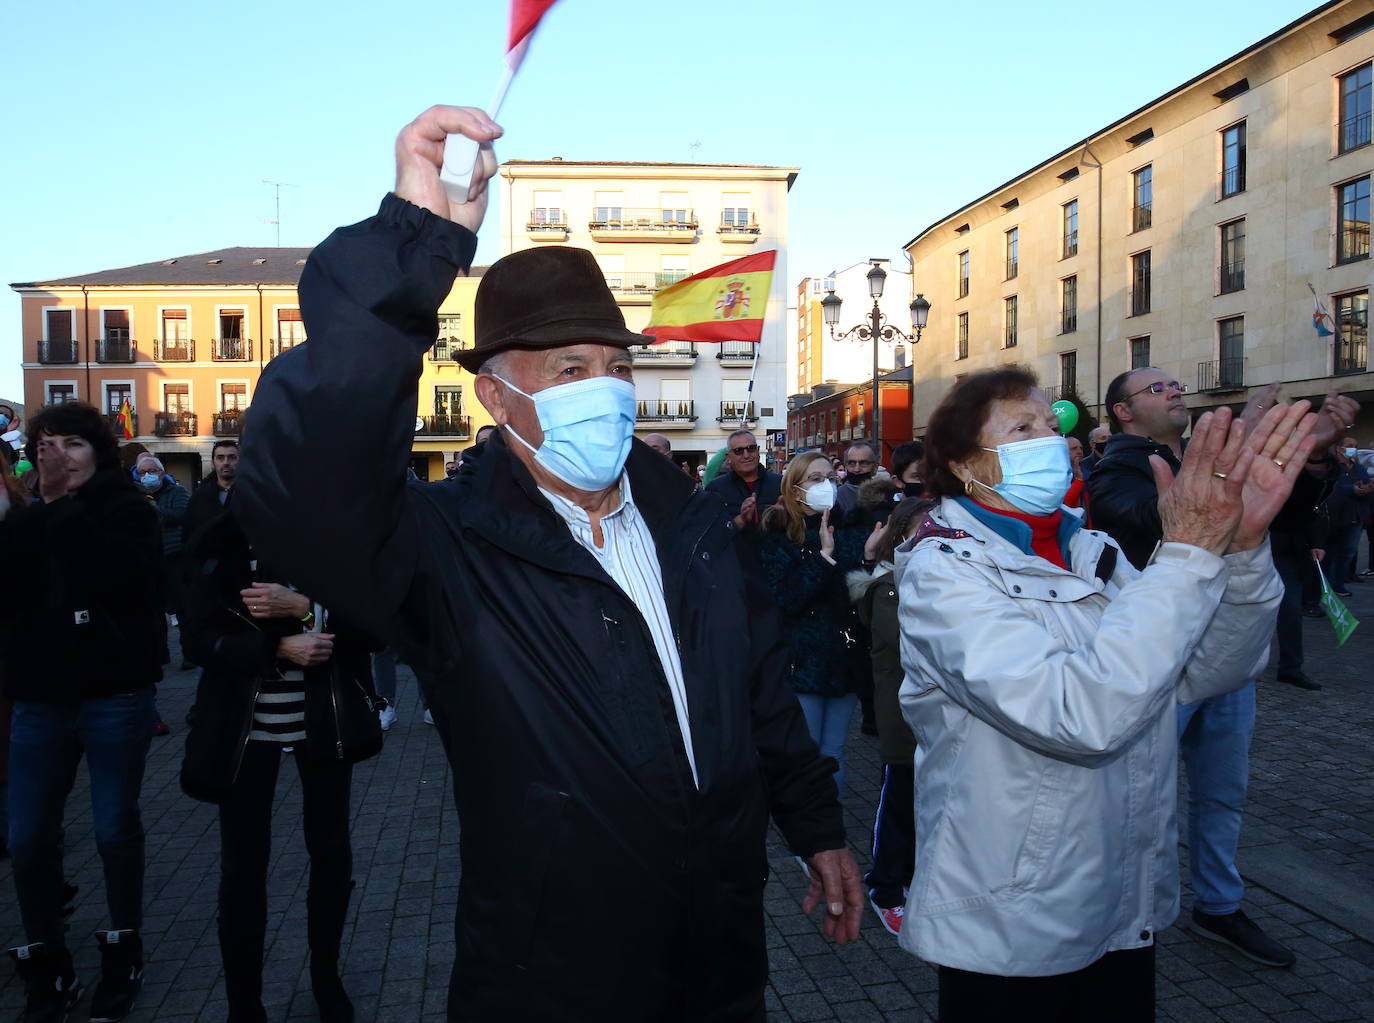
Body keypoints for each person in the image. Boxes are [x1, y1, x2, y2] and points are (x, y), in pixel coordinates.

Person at [233, 104, 862, 1022]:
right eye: (569, 368)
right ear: (495, 394)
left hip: (720, 960)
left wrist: (815, 827)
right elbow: (304, 486)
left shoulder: (693, 526)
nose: (604, 387)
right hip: (551, 979)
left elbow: (759, 692)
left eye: (616, 365)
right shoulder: (446, 547)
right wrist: (417, 246)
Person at [895, 367, 1315, 1020]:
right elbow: (1082, 714)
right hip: (1014, 917)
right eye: (1022, 427)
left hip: (1119, 898)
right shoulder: (943, 570)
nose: (1053, 439)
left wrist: (1239, 552)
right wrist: (1186, 555)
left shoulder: (1093, 550)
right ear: (963, 464)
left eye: (1052, 423)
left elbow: (1203, 668)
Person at [1086, 368, 1323, 969]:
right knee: (1146, 789)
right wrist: (1216, 483)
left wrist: (1309, 465)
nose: (1173, 389)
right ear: (1123, 412)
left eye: (1173, 383)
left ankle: (1219, 904)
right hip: (1162, 655)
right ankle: (1129, 909)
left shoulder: (1199, 453)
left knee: (1222, 792)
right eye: (1155, 387)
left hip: (1228, 646)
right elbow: (1134, 517)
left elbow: (1284, 518)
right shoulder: (1121, 463)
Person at [180, 492, 379, 1023]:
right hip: (243, 731)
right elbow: (198, 640)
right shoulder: (216, 546)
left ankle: (326, 977)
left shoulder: (333, 544)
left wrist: (308, 609)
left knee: (331, 853)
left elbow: (375, 629)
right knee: (243, 868)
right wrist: (274, 650)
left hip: (322, 723)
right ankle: (244, 1002)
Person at [1, 401, 164, 1023]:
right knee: (28, 834)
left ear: (97, 450)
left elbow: (111, 578)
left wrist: (58, 506)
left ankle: (124, 948)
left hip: (113, 694)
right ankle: (47, 955)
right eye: (46, 444)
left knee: (113, 828)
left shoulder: (127, 509)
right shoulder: (28, 516)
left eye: (71, 444)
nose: (57, 456)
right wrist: (29, 513)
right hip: (40, 698)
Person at [758, 453, 867, 797]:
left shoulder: (848, 527)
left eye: (829, 478)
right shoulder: (778, 533)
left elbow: (852, 596)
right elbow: (785, 599)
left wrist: (871, 562)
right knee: (806, 753)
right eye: (815, 479)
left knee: (833, 752)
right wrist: (822, 558)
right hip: (801, 660)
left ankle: (830, 835)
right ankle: (809, 840)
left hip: (842, 658)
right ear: (795, 488)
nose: (826, 486)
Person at [848, 496, 931, 937]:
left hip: (930, 718)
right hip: (902, 717)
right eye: (924, 528)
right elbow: (909, 641)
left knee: (926, 803)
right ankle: (885, 888)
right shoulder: (891, 586)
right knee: (898, 801)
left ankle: (915, 879)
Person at [135, 452, 193, 682]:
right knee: (153, 611)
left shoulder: (176, 492)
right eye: (142, 472)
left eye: (152, 471)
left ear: (162, 473)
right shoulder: (135, 496)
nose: (147, 476)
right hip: (147, 559)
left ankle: (189, 653)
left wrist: (154, 510)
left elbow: (182, 515)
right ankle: (160, 654)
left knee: (182, 609)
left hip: (173, 557)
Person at [705, 428, 782, 531]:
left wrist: (783, 515)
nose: (746, 455)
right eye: (738, 451)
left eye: (751, 448)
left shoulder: (781, 484)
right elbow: (710, 533)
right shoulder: (715, 488)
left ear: (758, 451)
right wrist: (740, 520)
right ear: (728, 457)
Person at [184, 439, 239, 547]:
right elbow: (188, 531)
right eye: (220, 457)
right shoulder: (199, 496)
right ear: (213, 462)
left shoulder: (252, 495)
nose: (226, 462)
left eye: (232, 457)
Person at [836, 441, 878, 516]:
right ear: (846, 466)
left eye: (863, 463)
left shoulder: (886, 496)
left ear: (875, 468)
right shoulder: (835, 496)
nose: (857, 469)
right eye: (852, 463)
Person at [1064, 436, 1086, 508]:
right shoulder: (1057, 475)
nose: (1079, 451)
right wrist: (1078, 480)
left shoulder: (1088, 472)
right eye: (1074, 448)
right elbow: (1064, 505)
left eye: (1081, 448)